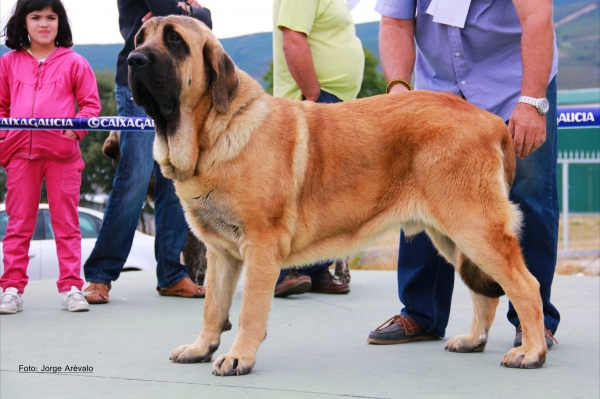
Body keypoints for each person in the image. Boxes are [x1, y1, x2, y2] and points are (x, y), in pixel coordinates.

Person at [367, 0, 560, 348]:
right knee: (420, 198)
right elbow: (395, 23)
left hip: (514, 85)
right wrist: (398, 90)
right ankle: (421, 313)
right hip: (436, 92)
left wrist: (532, 100)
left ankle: (533, 320)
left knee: (531, 195)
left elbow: (537, 17)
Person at [82, 0, 212, 304]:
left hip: (173, 82)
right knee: (134, 180)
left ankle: (172, 275)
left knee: (174, 179)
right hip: (137, 82)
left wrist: (189, 13)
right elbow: (175, 11)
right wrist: (187, 10)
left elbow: (204, 22)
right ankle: (100, 275)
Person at [0, 0, 101, 313]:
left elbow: (91, 107)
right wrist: (5, 140)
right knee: (18, 225)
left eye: (51, 17)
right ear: (24, 23)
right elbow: (2, 108)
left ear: (60, 22)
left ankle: (71, 287)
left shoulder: (75, 62)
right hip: (20, 157)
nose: (44, 24)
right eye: (36, 17)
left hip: (62, 158)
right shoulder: (8, 63)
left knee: (67, 224)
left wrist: (75, 132)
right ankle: (11, 288)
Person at [271, 0, 364, 297]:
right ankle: (283, 272)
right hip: (313, 104)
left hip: (330, 104)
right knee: (296, 192)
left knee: (325, 194)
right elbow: (293, 40)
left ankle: (316, 268)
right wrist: (314, 96)